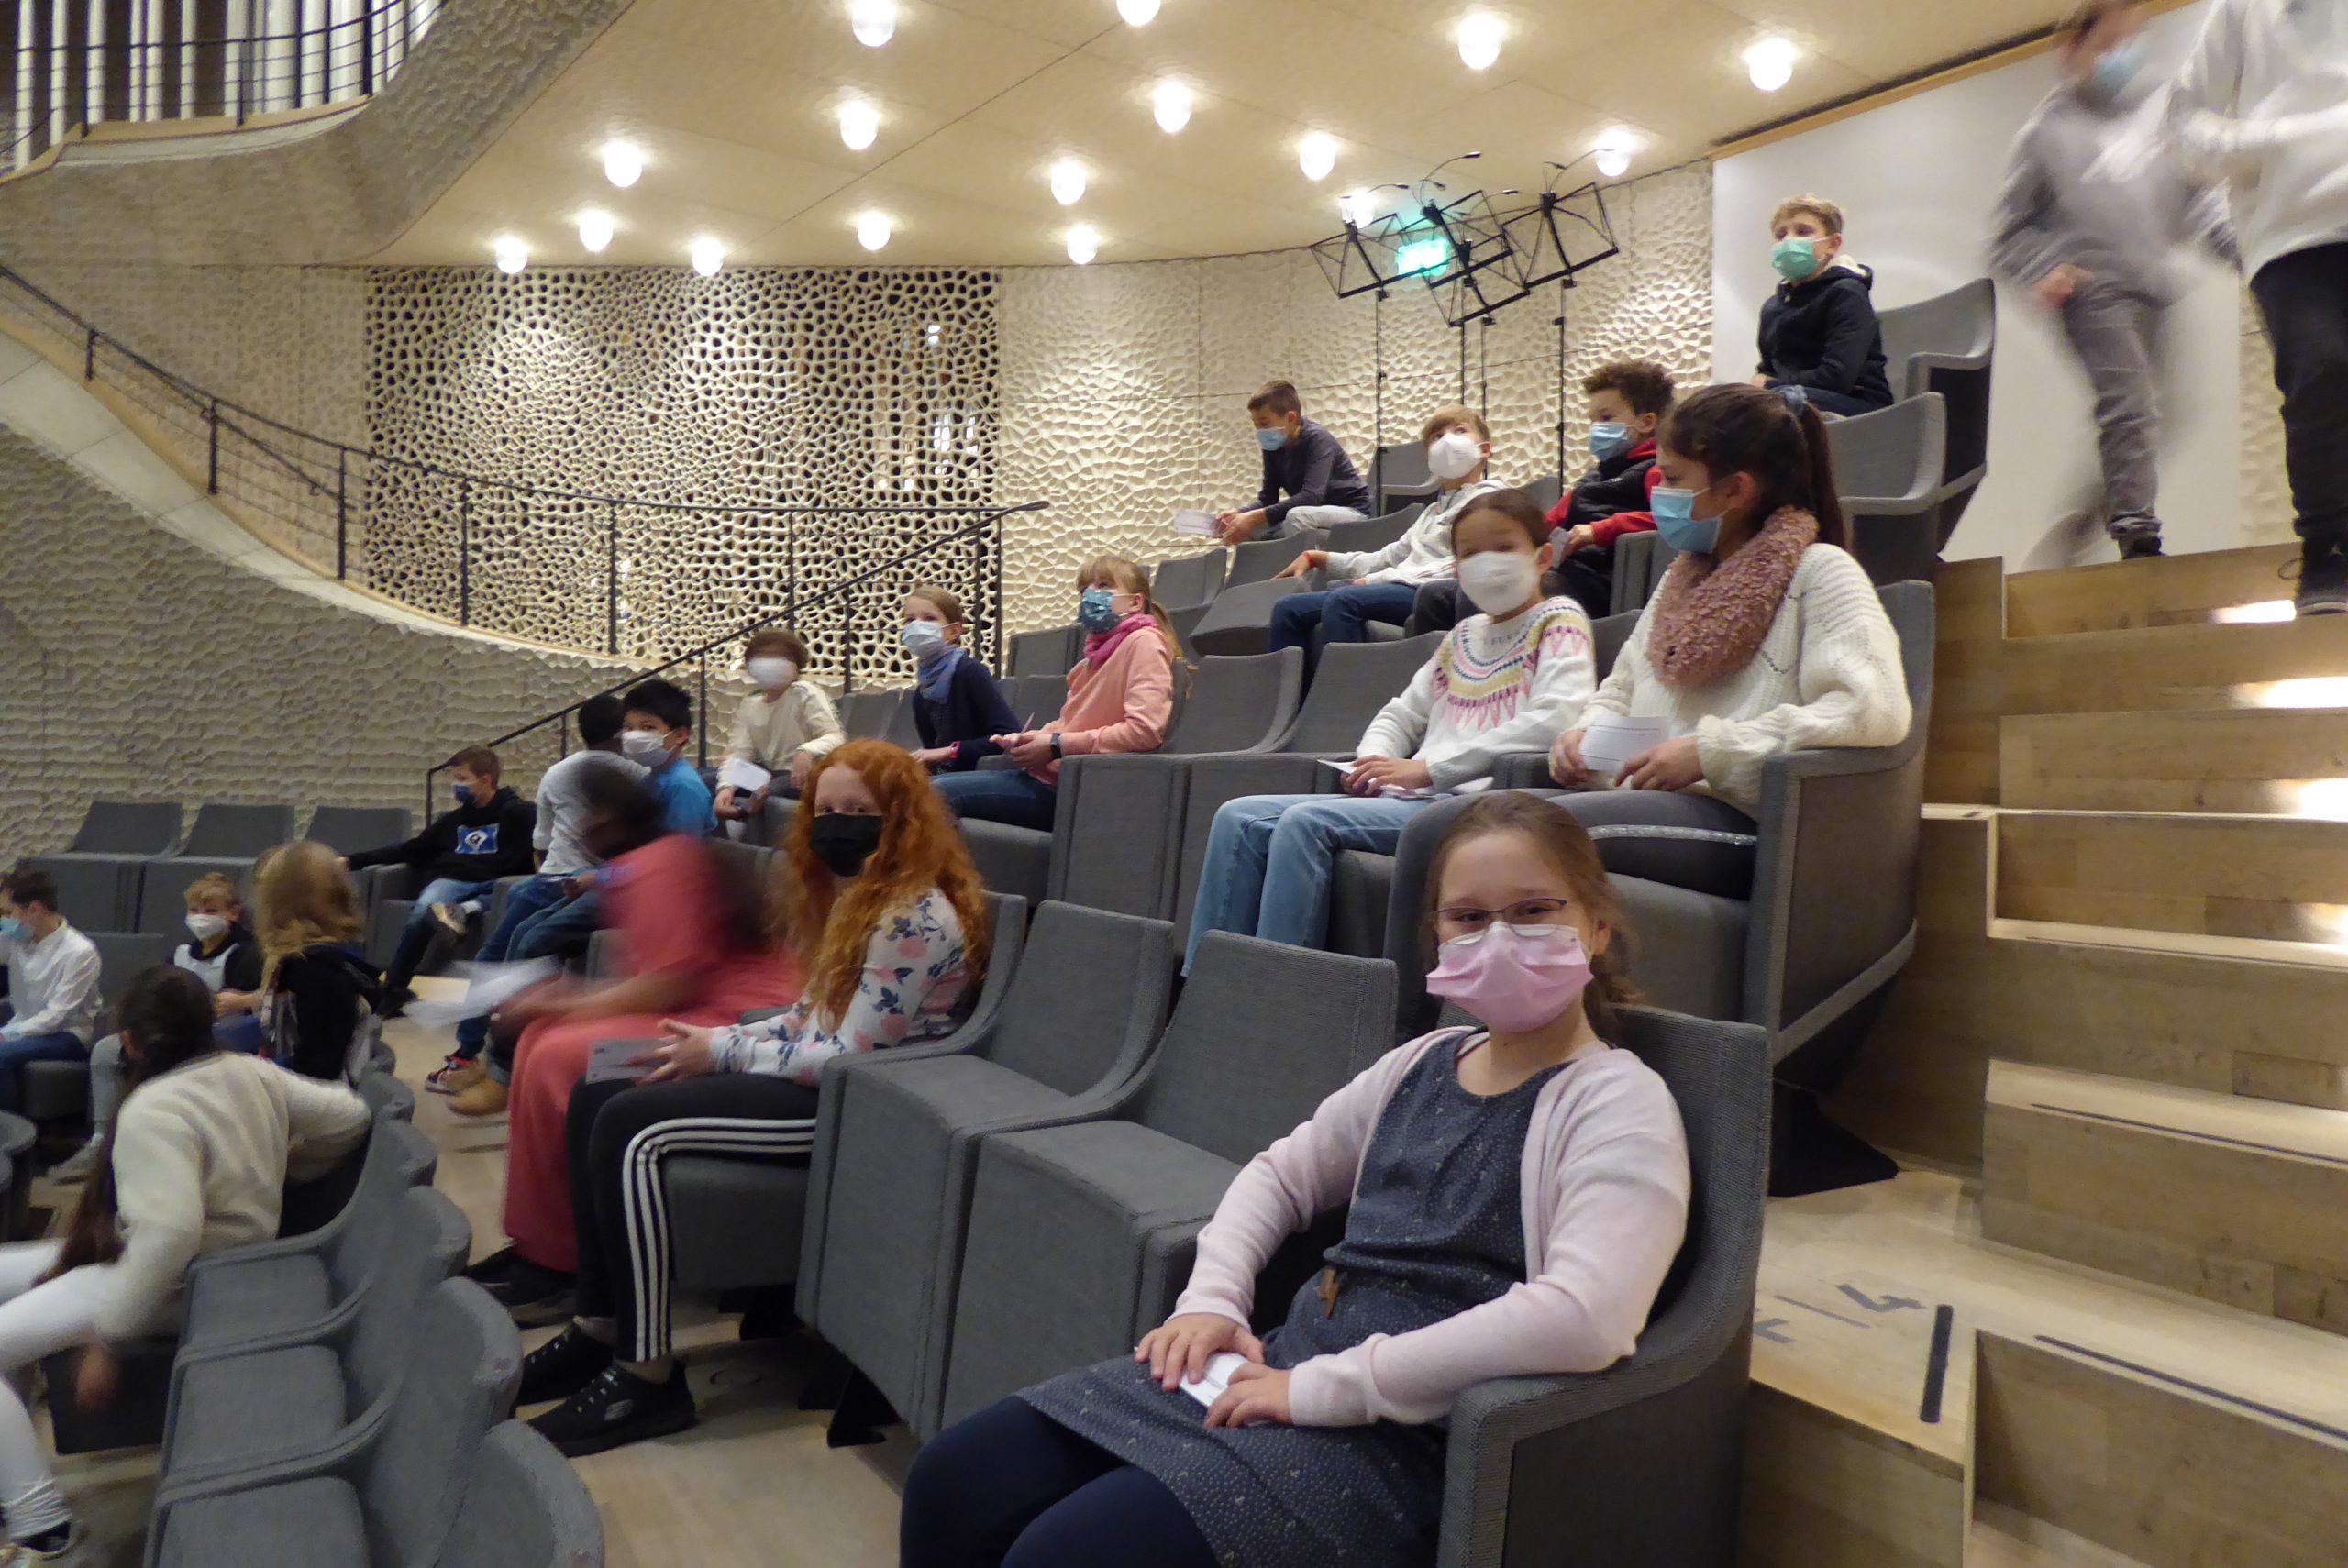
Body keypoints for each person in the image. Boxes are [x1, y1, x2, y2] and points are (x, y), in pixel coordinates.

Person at [903, 793, 1689, 1568]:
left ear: (1597, 926)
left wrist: (1322, 1390)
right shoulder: (1418, 1063)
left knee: (1068, 1555)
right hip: (1280, 1367)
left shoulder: (1617, 1100)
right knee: (953, 1481)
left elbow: (1585, 1318)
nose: (1500, 938)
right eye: (1469, 917)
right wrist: (1212, 1300)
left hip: (1406, 1438)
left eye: (1534, 910)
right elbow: (1278, 1175)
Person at [514, 740, 986, 1455]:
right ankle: (598, 1325)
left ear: (900, 819)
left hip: (866, 1106)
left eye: (859, 811)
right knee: (598, 1085)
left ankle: (645, 1377)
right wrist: (718, 1038)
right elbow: (807, 1016)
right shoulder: (858, 893)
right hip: (818, 1078)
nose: (837, 823)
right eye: (827, 808)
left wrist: (722, 1052)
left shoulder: (912, 916)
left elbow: (849, 1055)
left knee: (631, 1128)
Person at [1387, 383, 1912, 955]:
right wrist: (1581, 734)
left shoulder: (1820, 571)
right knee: (1439, 830)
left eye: (1674, 478)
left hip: (1742, 817)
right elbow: (1619, 689)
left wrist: (1710, 751)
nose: (1659, 492)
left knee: (1489, 841)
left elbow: (1870, 710)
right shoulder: (1681, 578)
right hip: (1642, 796)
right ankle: (1425, 1008)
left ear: (1735, 489)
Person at [0, 966, 369, 1565]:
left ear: (129, 1043)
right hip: (214, 1267)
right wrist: (290, 1167)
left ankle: (42, 1527)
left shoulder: (154, 1109)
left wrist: (110, 1336)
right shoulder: (250, 1071)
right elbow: (350, 1116)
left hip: (177, 1283)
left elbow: (169, 1236)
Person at [1187, 490, 1596, 970]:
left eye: (1504, 548)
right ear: (1456, 568)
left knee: (1304, 825)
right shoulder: (1462, 636)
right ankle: (1206, 981)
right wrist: (1373, 763)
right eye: (1471, 553)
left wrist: (1429, 769)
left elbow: (1556, 718)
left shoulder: (1558, 620)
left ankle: (1282, 986)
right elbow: (1400, 713)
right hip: (1418, 796)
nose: (1488, 562)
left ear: (1542, 556)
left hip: (1480, 802)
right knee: (1237, 816)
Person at [463, 767, 800, 1319]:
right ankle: (538, 1244)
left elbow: (669, 984)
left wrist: (559, 1001)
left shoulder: (659, 865)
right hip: (701, 1011)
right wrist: (563, 1002)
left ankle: (563, 1265)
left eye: (582, 816)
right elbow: (659, 983)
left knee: (558, 1057)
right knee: (543, 1040)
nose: (576, 830)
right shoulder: (648, 863)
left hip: (737, 1024)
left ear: (606, 818)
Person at [1994, 0, 2241, 561]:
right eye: (2107, 45)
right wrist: (2043, 268)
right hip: (2092, 288)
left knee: (2168, 411)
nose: (2120, 56)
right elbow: (2008, 232)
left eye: (2130, 42)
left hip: (2156, 286)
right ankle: (2136, 529)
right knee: (2129, 402)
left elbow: (2199, 199)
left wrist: (2247, 251)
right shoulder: (2046, 132)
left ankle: (2078, 529)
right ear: (2071, 51)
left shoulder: (2161, 115)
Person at [2162, 0, 2348, 613]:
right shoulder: (2241, 10)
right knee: (2323, 373)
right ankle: (2328, 550)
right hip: (2293, 234)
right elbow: (2183, 125)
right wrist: (2273, 144)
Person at [428, 694, 641, 1098]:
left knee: (497, 954)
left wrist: (553, 872)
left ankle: (473, 1055)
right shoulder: (638, 774)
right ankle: (499, 1059)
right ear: (620, 732)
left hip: (558, 877)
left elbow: (541, 843)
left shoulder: (560, 772)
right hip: (584, 880)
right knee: (518, 944)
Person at [1411, 362, 1674, 631]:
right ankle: (1445, 659)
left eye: (1605, 418)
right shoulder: (1595, 477)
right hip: (1557, 570)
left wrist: (1600, 530)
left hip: (1595, 580)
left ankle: (1494, 658)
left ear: (1646, 422)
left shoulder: (1654, 470)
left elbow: (1670, 519)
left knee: (1479, 597)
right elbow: (1546, 522)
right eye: (1593, 420)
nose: (1596, 428)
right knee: (1434, 596)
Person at [493, 678, 719, 982]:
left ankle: (525, 1007)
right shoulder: (652, 778)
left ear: (680, 735)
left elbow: (671, 866)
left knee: (535, 940)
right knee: (523, 929)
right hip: (622, 881)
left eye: (648, 727)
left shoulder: (683, 788)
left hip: (643, 891)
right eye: (629, 727)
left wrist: (599, 878)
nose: (634, 735)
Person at [932, 558, 1177, 832]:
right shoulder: (1092, 660)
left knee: (933, 794)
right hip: (1049, 778)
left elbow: (1144, 731)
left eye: (1104, 585)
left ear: (1135, 602)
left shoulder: (1144, 642)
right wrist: (1030, 739)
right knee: (920, 791)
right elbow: (1069, 724)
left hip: (1078, 789)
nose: (1091, 594)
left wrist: (1056, 745)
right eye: (1084, 589)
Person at [54, 874, 265, 1184]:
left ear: (232, 913)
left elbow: (254, 1008)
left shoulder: (246, 955)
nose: (200, 918)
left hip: (211, 1039)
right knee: (106, 1050)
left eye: (210, 911)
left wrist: (241, 1001)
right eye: (194, 910)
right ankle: (102, 1140)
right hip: (165, 1030)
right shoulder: (179, 955)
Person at [1268, 405, 1506, 654]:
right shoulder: (1431, 513)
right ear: (1429, 459)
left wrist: (1373, 581)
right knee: (1288, 609)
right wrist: (1318, 558)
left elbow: (1462, 565)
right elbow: (1386, 558)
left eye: (1460, 430)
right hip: (1399, 584)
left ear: (1485, 450)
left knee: (1343, 600)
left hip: (1434, 592)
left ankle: (1348, 680)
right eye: (1437, 436)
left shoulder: (1491, 499)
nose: (1447, 440)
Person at [343, 745, 536, 1018]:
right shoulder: (453, 821)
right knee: (423, 911)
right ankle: (395, 988)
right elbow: (411, 849)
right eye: (454, 779)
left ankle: (465, 910)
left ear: (486, 780)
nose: (456, 786)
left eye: (463, 779)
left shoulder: (519, 813)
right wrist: (352, 861)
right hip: (454, 880)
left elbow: (539, 849)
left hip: (499, 882)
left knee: (509, 892)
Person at [1754, 195, 1894, 417]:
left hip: (1858, 403)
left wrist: (1770, 386)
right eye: (1780, 235)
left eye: (1803, 232)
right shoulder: (1772, 307)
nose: (1788, 241)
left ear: (1832, 244)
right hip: (1792, 396)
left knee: (1778, 401)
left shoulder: (1847, 293)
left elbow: (1838, 377)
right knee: (1720, 402)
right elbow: (1768, 371)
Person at [253, 842, 382, 1082]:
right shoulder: (309, 959)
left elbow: (316, 1069)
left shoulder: (317, 972)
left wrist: (250, 1073)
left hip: (314, 1093)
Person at [1215, 381, 1374, 544]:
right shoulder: (1273, 445)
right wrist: (1238, 515)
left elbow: (1311, 497)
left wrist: (1252, 517)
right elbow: (1268, 499)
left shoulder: (1317, 439)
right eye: (1256, 424)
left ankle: (1305, 561)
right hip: (1313, 514)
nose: (1260, 431)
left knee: (1297, 517)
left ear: (1291, 418)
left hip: (1351, 512)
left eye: (1264, 423)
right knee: (1245, 528)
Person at [0, 865, 100, 1119]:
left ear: (34, 910)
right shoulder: (14, 939)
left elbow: (56, 1016)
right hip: (23, 1025)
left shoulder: (79, 952)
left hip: (68, 1034)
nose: (3, 920)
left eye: (7, 912)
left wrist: (7, 1034)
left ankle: (10, 1132)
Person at [716, 628, 844, 825]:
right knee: (705, 780)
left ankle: (743, 812)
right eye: (762, 656)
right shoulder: (750, 705)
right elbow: (740, 754)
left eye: (778, 656)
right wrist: (726, 787)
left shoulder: (806, 694)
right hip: (769, 773)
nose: (769, 662)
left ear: (796, 666)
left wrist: (806, 751)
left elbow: (835, 737)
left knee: (770, 788)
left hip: (801, 776)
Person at [902, 585, 1021, 773]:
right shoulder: (922, 691)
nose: (917, 626)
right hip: (946, 776)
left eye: (929, 618)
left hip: (980, 774)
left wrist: (950, 751)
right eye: (910, 620)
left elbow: (1007, 736)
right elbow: (931, 753)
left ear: (954, 631)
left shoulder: (970, 671)